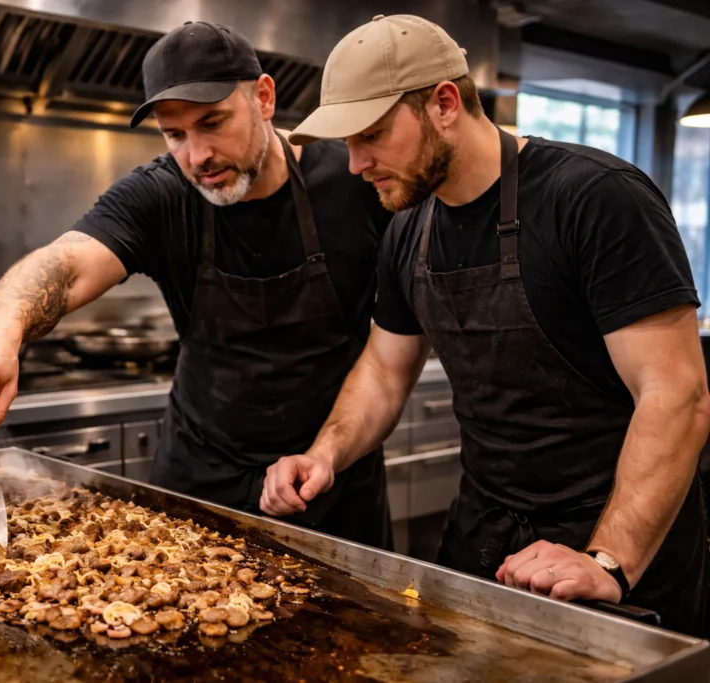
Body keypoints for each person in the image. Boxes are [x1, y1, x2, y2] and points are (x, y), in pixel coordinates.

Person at [260, 13, 709, 635]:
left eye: (371, 135)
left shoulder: (596, 198)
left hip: (614, 541)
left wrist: (608, 560)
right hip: (483, 535)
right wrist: (325, 453)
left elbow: (675, 394)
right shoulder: (407, 230)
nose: (356, 164)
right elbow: (386, 369)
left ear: (445, 102)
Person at [0, 21, 394, 548]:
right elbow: (66, 263)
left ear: (264, 98)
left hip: (333, 481)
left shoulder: (356, 181)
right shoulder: (161, 194)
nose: (198, 156)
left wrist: (329, 454)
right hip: (201, 483)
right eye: (175, 134)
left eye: (213, 122)